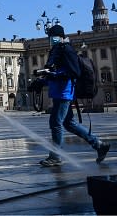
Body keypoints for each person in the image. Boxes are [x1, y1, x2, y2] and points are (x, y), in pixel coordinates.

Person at [39, 24, 110, 167]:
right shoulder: (57, 50)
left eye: (53, 37)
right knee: (69, 123)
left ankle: (55, 156)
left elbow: (74, 72)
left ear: (60, 37)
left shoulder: (67, 50)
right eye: (50, 38)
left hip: (64, 92)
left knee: (56, 123)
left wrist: (52, 75)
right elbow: (55, 71)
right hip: (59, 91)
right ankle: (99, 145)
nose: (51, 40)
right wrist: (41, 81)